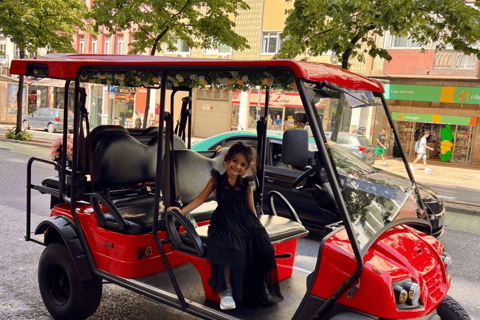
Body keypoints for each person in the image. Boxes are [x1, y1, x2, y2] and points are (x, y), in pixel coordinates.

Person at [167, 142, 281, 310]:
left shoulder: (246, 184)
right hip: (224, 220)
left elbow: (250, 207)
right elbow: (200, 199)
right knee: (231, 247)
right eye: (235, 161)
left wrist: (257, 229)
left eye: (243, 164)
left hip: (244, 219)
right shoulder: (216, 180)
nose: (237, 166)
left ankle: (260, 284)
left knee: (264, 247)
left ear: (247, 167)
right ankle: (225, 290)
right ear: (227, 160)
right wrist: (181, 211)